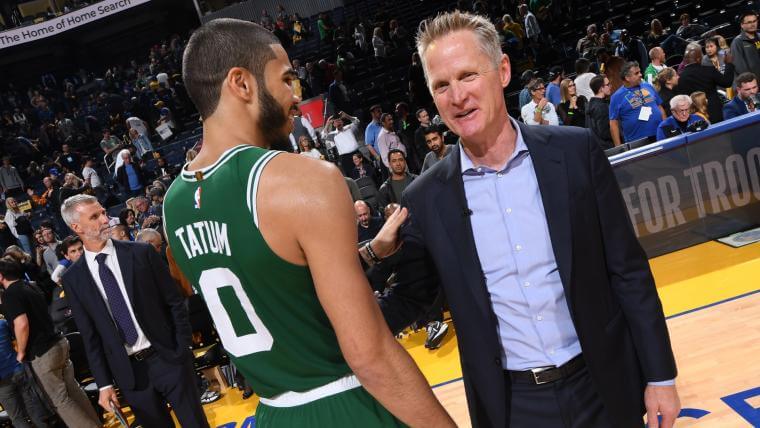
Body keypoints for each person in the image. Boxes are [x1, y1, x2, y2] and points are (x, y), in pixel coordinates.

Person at [378, 11, 680, 427]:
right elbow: (409, 301)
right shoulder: (426, 198)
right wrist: (368, 260)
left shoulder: (576, 152)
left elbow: (627, 270)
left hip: (605, 383)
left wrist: (660, 375)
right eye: (441, 85)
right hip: (514, 406)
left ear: (502, 70)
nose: (457, 96)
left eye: (468, 75)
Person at [163, 18, 454, 427]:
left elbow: (275, 285)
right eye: (286, 80)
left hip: (273, 412)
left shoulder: (172, 204)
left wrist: (369, 253)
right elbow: (370, 355)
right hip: (345, 405)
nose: (295, 96)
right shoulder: (304, 179)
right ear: (241, 84)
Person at [59, 194, 209, 427]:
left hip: (168, 358)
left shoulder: (141, 252)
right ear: (76, 226)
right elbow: (91, 337)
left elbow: (174, 302)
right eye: (95, 216)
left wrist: (182, 347)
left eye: (103, 212)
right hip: (129, 374)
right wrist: (104, 384)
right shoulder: (73, 279)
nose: (105, 219)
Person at [0, 258, 102, 427]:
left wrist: (21, 352)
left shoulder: (11, 294)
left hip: (43, 353)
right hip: (59, 343)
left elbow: (22, 323)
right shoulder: (31, 285)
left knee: (60, 401)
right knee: (74, 392)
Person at [676, 43, 735, 123]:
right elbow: (727, 82)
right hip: (715, 113)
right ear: (699, 58)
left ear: (685, 60)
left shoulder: (681, 78)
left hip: (696, 118)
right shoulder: (709, 70)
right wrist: (729, 64)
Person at [609, 61, 665, 145]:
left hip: (659, 134)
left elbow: (660, 107)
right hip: (637, 141)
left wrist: (666, 127)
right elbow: (613, 123)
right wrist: (619, 147)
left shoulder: (648, 86)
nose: (640, 75)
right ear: (627, 77)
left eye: (640, 72)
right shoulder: (617, 97)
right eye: (636, 73)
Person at [586, 74, 614, 149]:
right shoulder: (600, 107)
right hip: (608, 147)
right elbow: (604, 133)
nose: (610, 86)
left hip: (599, 147)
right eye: (608, 85)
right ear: (601, 88)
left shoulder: (590, 105)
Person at [730, 11, 760, 78]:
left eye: (754, 21)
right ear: (742, 25)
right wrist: (751, 81)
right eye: (749, 22)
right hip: (754, 82)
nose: (753, 24)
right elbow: (739, 67)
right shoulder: (737, 42)